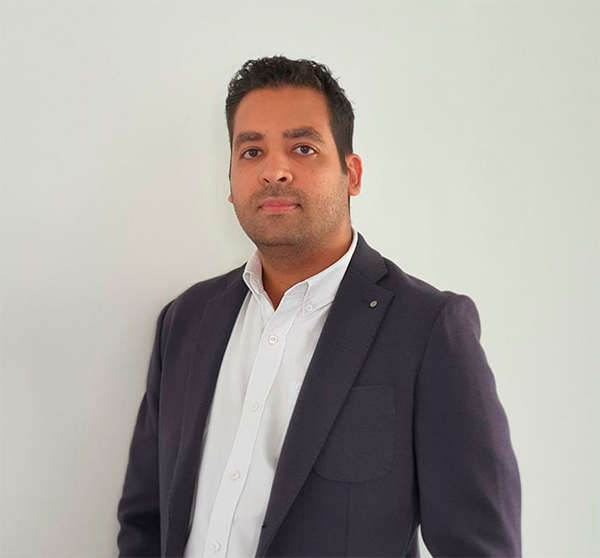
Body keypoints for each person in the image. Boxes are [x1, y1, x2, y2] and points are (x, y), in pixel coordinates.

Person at [116, 55, 522, 558]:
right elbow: (143, 522)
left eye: (303, 148)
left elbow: (480, 547)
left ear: (352, 173)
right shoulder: (186, 320)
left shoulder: (428, 330)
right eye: (251, 151)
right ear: (230, 182)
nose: (274, 171)